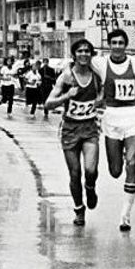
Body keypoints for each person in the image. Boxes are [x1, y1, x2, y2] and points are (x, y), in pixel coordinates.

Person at [94, 29, 135, 231]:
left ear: (126, 45)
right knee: (115, 170)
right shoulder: (100, 63)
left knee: (131, 162)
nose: (118, 46)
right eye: (114, 42)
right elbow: (79, 66)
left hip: (133, 115)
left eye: (121, 43)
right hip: (111, 117)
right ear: (109, 45)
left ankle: (125, 216)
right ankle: (124, 157)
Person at [45, 39, 103, 226]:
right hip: (70, 130)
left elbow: (104, 92)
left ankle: (91, 187)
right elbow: (48, 103)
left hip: (89, 129)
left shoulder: (96, 75)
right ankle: (79, 209)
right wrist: (66, 96)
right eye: (80, 51)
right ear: (74, 55)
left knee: (90, 170)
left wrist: (99, 101)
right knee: (75, 173)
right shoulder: (66, 78)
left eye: (87, 51)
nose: (84, 54)